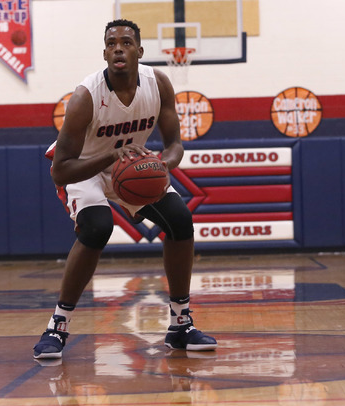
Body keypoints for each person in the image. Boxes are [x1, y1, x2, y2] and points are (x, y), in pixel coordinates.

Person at [34, 19, 217, 359]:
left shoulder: (158, 83)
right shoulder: (85, 97)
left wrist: (163, 165)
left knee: (180, 220)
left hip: (132, 167)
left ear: (139, 51)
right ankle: (57, 326)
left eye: (126, 42)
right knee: (98, 227)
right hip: (85, 169)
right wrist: (109, 156)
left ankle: (180, 325)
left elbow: (175, 144)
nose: (119, 47)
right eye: (112, 43)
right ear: (105, 53)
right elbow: (60, 170)